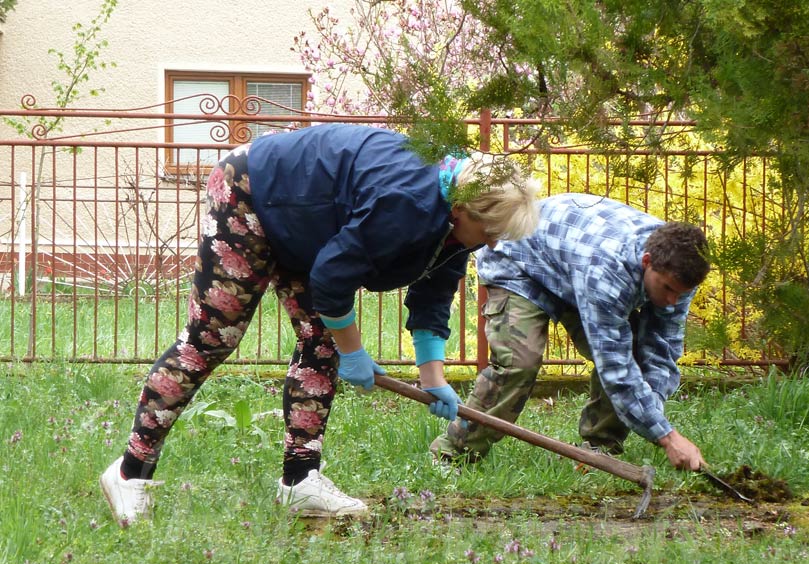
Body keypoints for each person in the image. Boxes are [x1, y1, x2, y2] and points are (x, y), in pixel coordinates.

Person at [100, 123, 540, 523]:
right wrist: (354, 351)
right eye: (490, 233)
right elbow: (331, 279)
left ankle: (300, 482)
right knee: (211, 339)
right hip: (252, 190)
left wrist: (433, 376)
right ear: (463, 210)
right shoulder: (406, 202)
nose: (491, 244)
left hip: (307, 222)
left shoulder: (456, 218)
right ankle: (129, 473)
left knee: (320, 345)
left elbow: (434, 291)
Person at [429, 192, 710, 473]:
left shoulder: (681, 270)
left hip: (572, 265)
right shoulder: (608, 273)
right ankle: (452, 454)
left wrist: (653, 411)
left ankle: (598, 453)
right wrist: (667, 437)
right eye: (667, 289)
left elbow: (662, 349)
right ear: (647, 261)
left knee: (635, 352)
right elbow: (616, 368)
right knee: (518, 361)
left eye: (680, 293)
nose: (672, 300)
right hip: (520, 260)